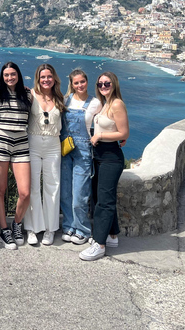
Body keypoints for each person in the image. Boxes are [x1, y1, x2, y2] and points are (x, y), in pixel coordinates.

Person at [80, 71, 130, 261]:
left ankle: (99, 244)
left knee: (104, 201)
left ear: (114, 84)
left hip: (110, 157)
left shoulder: (116, 103)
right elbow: (115, 129)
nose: (103, 86)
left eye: (107, 83)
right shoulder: (105, 104)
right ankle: (112, 234)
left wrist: (100, 136)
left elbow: (124, 132)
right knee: (99, 194)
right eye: (100, 84)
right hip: (100, 156)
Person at [0, 62, 32, 249]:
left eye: (12, 74)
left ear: (18, 75)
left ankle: (17, 223)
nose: (9, 78)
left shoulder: (28, 95)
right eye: (6, 75)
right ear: (2, 76)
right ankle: (4, 229)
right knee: (0, 189)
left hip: (22, 144)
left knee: (25, 192)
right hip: (0, 143)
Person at [59, 69, 102, 245]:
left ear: (87, 81)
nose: (80, 85)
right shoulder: (64, 100)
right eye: (76, 83)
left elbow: (102, 122)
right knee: (65, 193)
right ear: (72, 84)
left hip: (83, 151)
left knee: (80, 194)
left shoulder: (96, 103)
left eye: (82, 82)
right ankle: (68, 226)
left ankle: (83, 229)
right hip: (65, 149)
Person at [25, 63, 66, 246]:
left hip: (53, 145)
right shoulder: (31, 95)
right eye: (43, 77)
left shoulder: (60, 98)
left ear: (54, 78)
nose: (46, 80)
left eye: (49, 76)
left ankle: (50, 229)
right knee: (33, 186)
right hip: (33, 143)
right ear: (38, 79)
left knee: (52, 186)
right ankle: (32, 229)